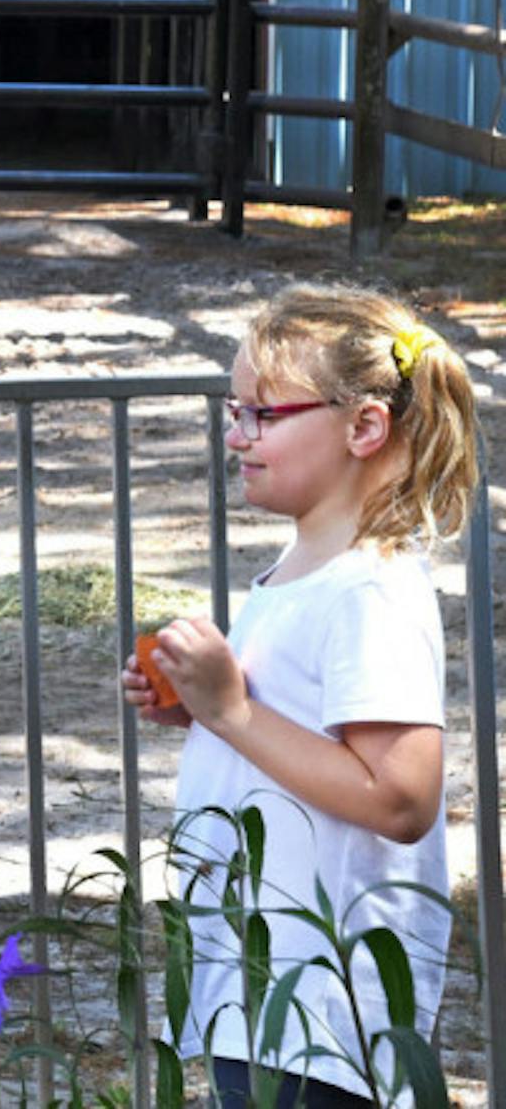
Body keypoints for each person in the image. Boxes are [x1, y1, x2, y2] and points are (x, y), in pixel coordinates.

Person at [124, 286, 478, 1108]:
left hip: (326, 1005)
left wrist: (232, 712)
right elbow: (298, 742)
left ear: (362, 428)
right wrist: (198, 708)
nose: (234, 434)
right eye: (232, 410)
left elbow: (399, 797)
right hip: (259, 981)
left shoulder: (370, 592)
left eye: (261, 414)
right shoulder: (301, 575)